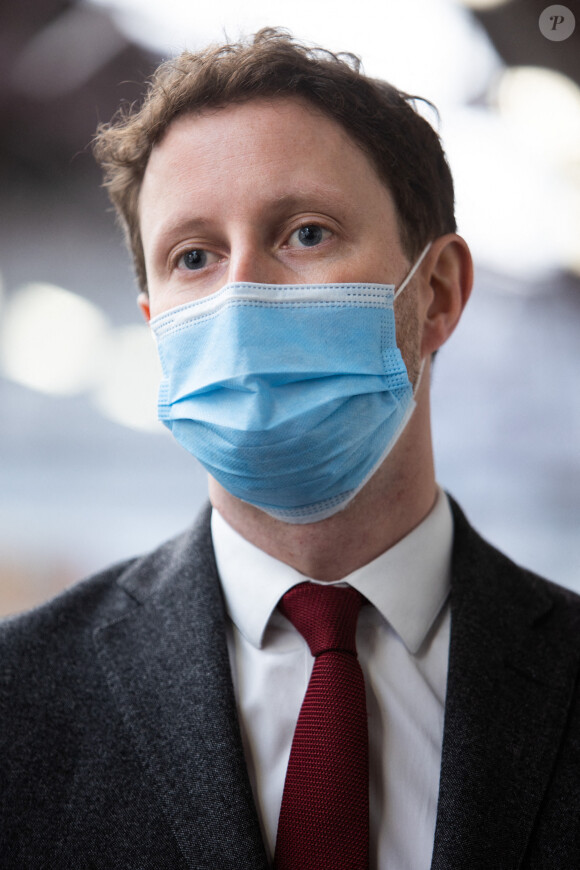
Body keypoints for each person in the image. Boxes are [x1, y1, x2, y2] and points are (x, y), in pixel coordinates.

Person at [1, 28, 579, 870]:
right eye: (193, 256)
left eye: (305, 234)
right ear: (157, 327)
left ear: (440, 292)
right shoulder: (20, 703)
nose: (241, 299)